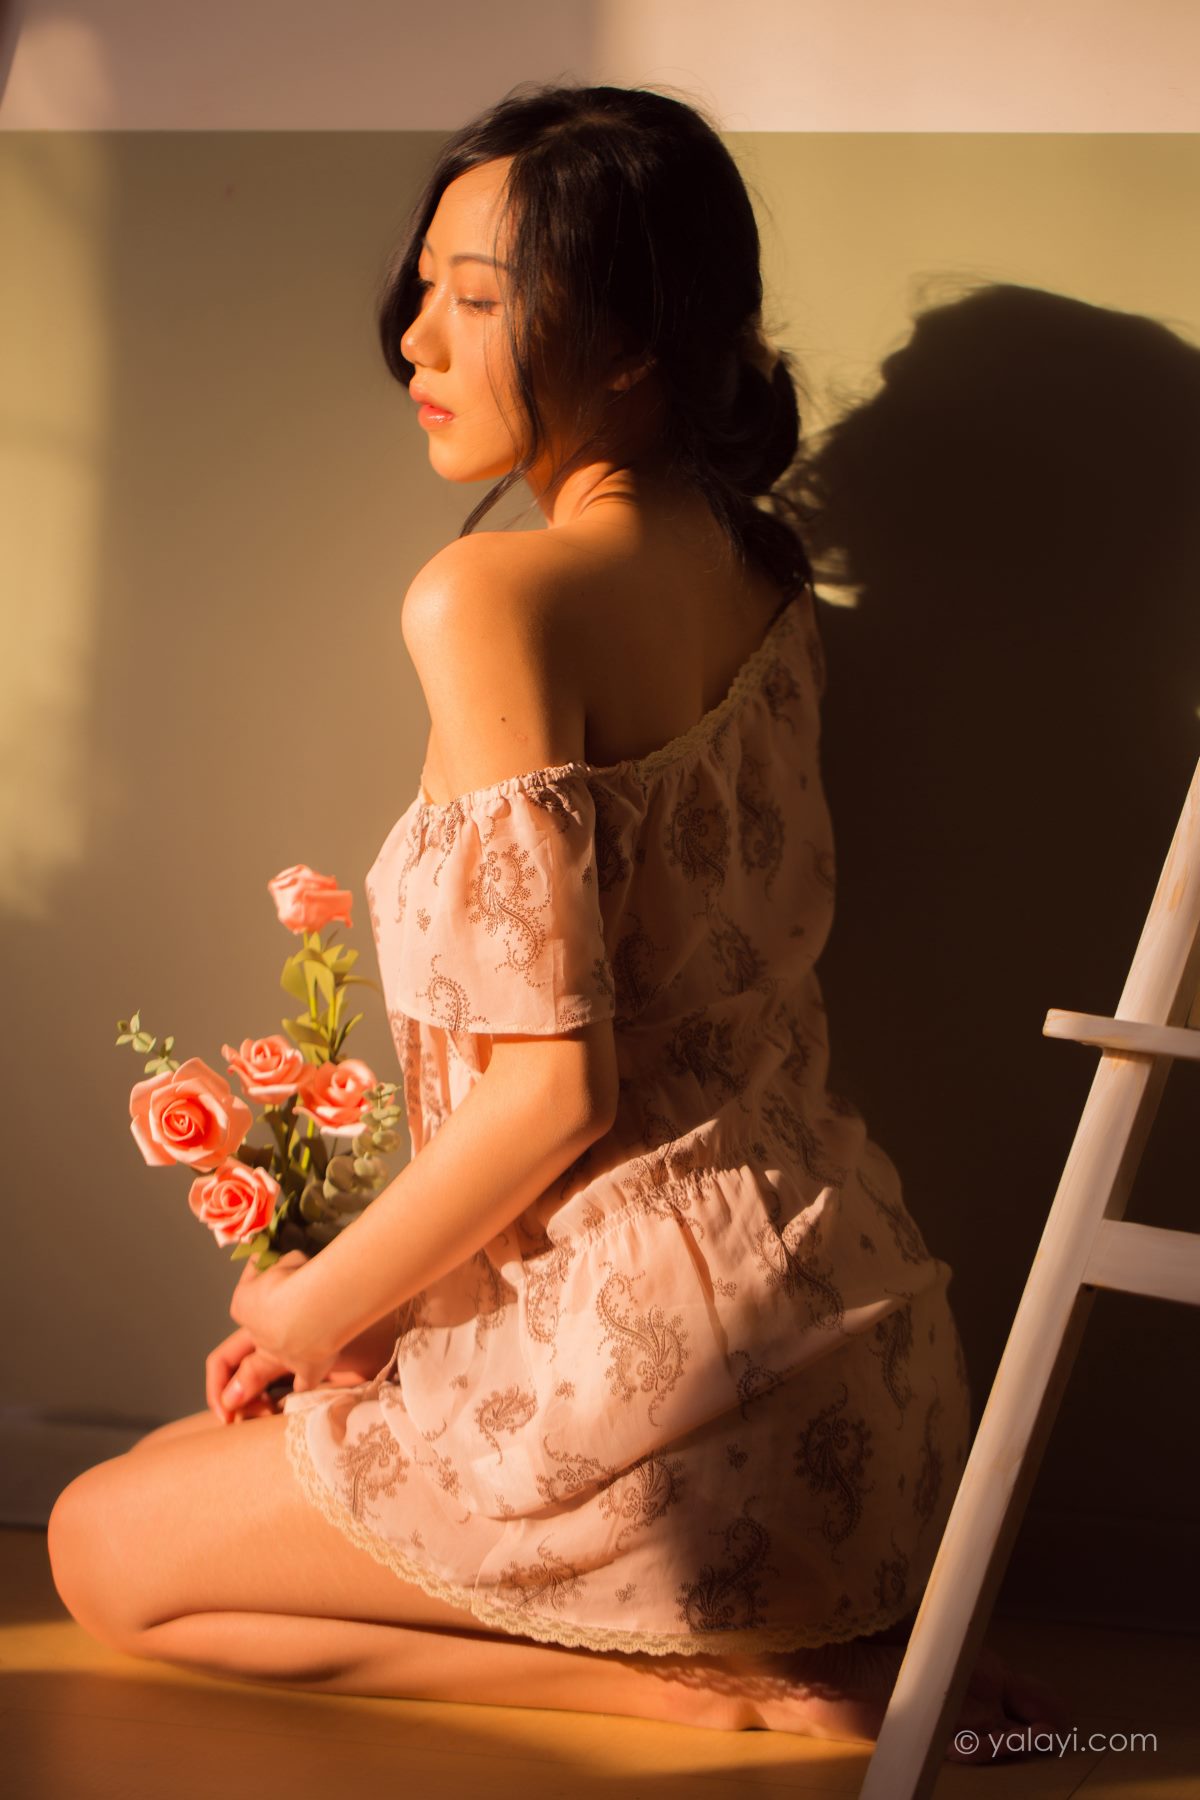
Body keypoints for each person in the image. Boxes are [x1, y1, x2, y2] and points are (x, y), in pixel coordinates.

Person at [48, 81, 1067, 1756]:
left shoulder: (487, 596)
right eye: (423, 290)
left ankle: (736, 1694)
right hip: (865, 1378)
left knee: (96, 1546)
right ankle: (795, 1643)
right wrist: (372, 1311)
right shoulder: (762, 577)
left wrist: (314, 1306)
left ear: (636, 344)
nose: (415, 343)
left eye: (476, 298)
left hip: (674, 1409)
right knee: (174, 1473)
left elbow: (556, 1093)